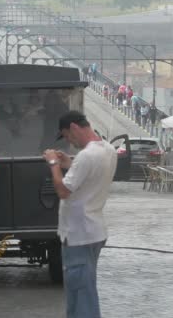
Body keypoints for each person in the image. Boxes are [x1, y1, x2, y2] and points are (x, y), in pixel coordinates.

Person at [42, 111, 117, 318]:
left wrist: (53, 165)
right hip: (94, 230)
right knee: (83, 288)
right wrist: (68, 163)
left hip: (79, 233)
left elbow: (63, 190)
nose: (68, 140)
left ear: (74, 128)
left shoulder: (86, 155)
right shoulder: (108, 149)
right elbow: (89, 171)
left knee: (81, 293)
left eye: (67, 135)